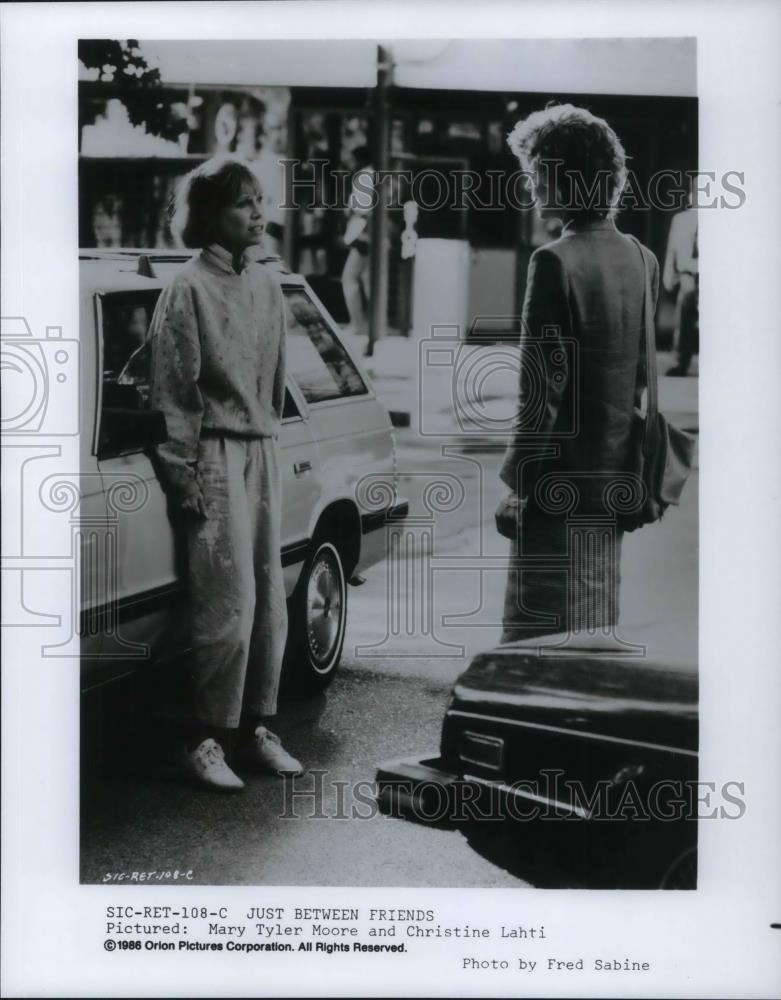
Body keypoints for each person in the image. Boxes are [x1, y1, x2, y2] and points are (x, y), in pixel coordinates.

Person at [147, 155, 302, 791]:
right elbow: (173, 388)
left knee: (269, 597)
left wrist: (271, 436)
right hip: (211, 452)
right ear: (210, 214)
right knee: (225, 600)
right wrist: (182, 469)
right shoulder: (186, 287)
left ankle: (255, 728)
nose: (258, 213)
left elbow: (278, 375)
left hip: (261, 447)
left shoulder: (269, 283)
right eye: (243, 203)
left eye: (260, 200)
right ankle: (203, 737)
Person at [498, 104, 657, 644]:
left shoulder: (553, 261)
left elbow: (540, 391)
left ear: (563, 175)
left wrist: (520, 485)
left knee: (537, 642)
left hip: (556, 487)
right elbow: (639, 375)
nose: (530, 187)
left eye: (536, 172)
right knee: (592, 633)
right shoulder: (642, 258)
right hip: (614, 482)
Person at [340, 145, 375, 355]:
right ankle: (373, 321)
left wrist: (350, 209)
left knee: (349, 278)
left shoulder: (365, 175)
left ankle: (357, 322)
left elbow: (363, 208)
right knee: (367, 279)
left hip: (362, 232)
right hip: (368, 233)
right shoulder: (376, 175)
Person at [662, 200, 699, 376]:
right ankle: (680, 360)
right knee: (685, 316)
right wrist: (669, 274)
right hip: (687, 274)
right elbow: (672, 249)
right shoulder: (681, 220)